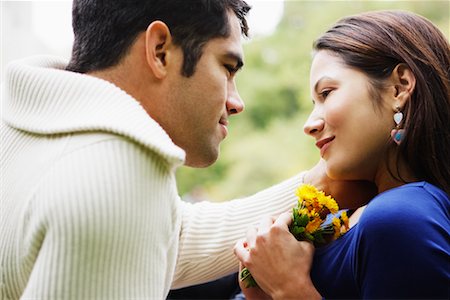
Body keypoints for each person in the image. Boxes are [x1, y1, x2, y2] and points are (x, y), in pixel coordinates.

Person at [0, 1, 377, 299]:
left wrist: (318, 186)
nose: (235, 102)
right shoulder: (116, 171)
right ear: (160, 50)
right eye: (227, 67)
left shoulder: (32, 131)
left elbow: (169, 235)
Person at [234, 10, 450, 299]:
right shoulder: (347, 217)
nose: (309, 124)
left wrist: (289, 288)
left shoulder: (400, 219)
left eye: (326, 93)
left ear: (399, 87)